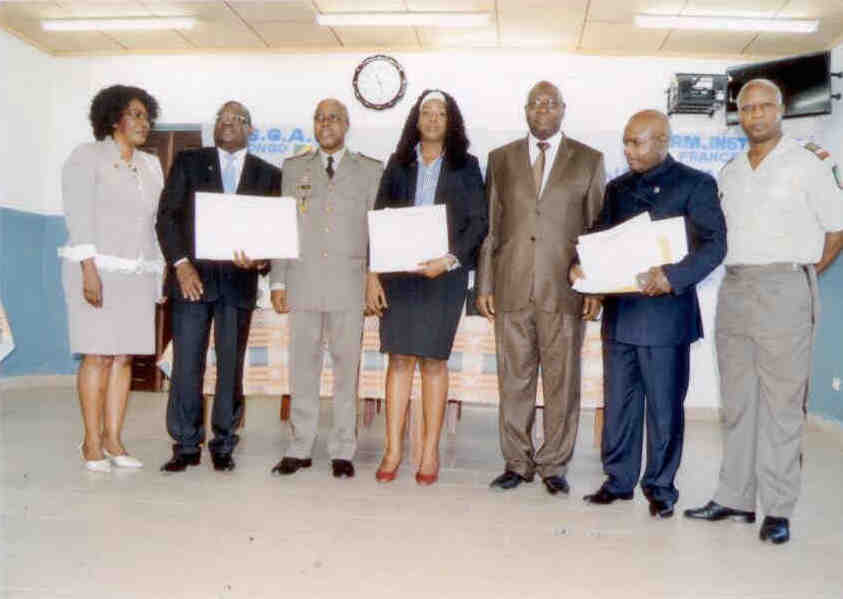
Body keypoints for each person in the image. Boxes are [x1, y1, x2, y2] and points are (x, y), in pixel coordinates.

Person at [684, 79, 843, 543]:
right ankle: (734, 497)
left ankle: (777, 509)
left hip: (785, 287)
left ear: (781, 109)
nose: (755, 115)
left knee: (781, 405)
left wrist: (802, 272)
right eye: (746, 108)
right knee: (737, 402)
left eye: (764, 107)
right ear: (738, 113)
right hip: (736, 289)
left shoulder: (807, 163)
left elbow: (836, 229)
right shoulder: (731, 170)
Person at [573, 110, 726, 518]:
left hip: (666, 316)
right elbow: (600, 237)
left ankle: (660, 487)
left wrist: (673, 276)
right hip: (622, 314)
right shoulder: (618, 187)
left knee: (664, 408)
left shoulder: (696, 184)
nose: (628, 149)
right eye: (625, 141)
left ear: (662, 141)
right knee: (619, 405)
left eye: (636, 142)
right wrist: (581, 263)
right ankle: (618, 481)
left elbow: (714, 246)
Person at [476, 81, 606, 495]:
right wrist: (485, 283)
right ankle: (516, 462)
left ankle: (553, 465)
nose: (542, 109)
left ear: (563, 110)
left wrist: (596, 288)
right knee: (513, 380)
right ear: (525, 110)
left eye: (551, 103)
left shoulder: (589, 160)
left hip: (564, 290)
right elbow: (491, 229)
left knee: (561, 382)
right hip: (511, 285)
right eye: (535, 103)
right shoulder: (500, 159)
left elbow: (598, 231)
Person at [366, 90, 488, 485]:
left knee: (434, 362)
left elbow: (477, 223)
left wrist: (449, 259)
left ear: (451, 121)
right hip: (399, 278)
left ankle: (429, 450)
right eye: (426, 112)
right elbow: (378, 219)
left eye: (441, 113)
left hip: (444, 277)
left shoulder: (466, 166)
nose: (433, 118)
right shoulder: (398, 163)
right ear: (416, 120)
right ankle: (392, 450)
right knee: (399, 359)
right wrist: (373, 274)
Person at [156, 101, 282, 472]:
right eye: (221, 119)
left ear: (251, 130)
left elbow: (273, 232)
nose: (226, 123)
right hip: (191, 281)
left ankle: (224, 442)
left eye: (236, 119)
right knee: (186, 365)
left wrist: (260, 260)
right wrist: (180, 265)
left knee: (231, 366)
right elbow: (166, 218)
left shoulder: (268, 174)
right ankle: (185, 443)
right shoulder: (189, 162)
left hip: (237, 284)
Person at [269, 99, 383, 479]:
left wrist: (374, 279)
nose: (325, 124)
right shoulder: (293, 168)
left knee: (346, 369)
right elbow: (282, 229)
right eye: (319, 118)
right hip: (302, 282)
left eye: (333, 118)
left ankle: (343, 449)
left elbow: (377, 234)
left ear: (346, 124)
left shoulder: (369, 169)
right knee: (302, 368)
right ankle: (300, 446)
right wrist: (278, 280)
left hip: (349, 284)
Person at [59, 84, 163, 472]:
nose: (143, 122)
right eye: (135, 114)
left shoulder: (151, 165)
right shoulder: (87, 157)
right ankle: (90, 442)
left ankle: (115, 441)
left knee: (123, 357)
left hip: (137, 271)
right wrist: (89, 269)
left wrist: (157, 273)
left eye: (146, 115)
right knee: (97, 354)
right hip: (96, 268)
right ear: (112, 118)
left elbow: (152, 223)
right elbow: (78, 214)